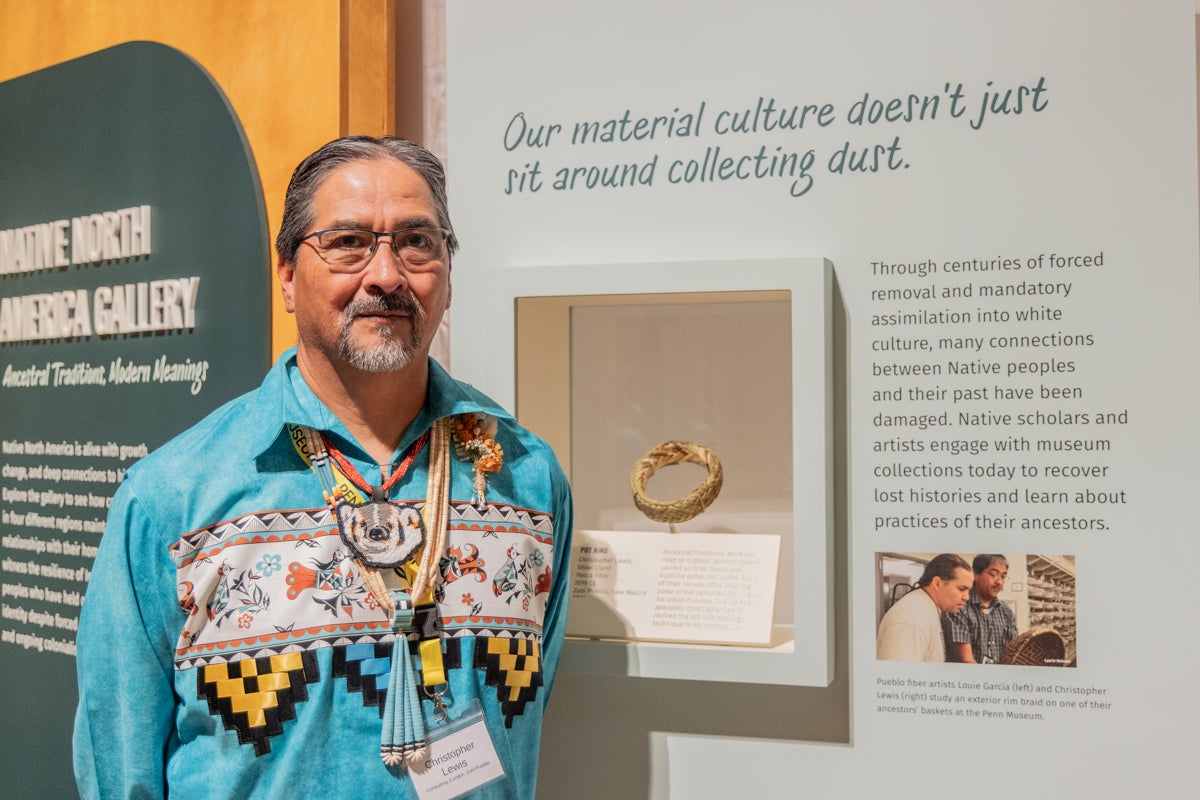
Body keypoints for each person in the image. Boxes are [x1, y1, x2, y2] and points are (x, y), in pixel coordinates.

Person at [73, 136, 573, 799]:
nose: (387, 276)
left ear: (447, 273)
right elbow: (120, 762)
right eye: (348, 244)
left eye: (418, 243)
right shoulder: (176, 495)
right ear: (286, 275)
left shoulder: (527, 480)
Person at [876, 553, 972, 662]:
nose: (966, 597)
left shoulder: (927, 607)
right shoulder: (910, 618)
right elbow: (897, 676)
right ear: (937, 583)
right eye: (961, 589)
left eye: (968, 591)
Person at [942, 554, 1018, 664]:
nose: (999, 582)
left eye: (1003, 576)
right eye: (993, 574)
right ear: (975, 575)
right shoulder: (958, 607)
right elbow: (966, 660)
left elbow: (1013, 651)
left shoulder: (1005, 610)